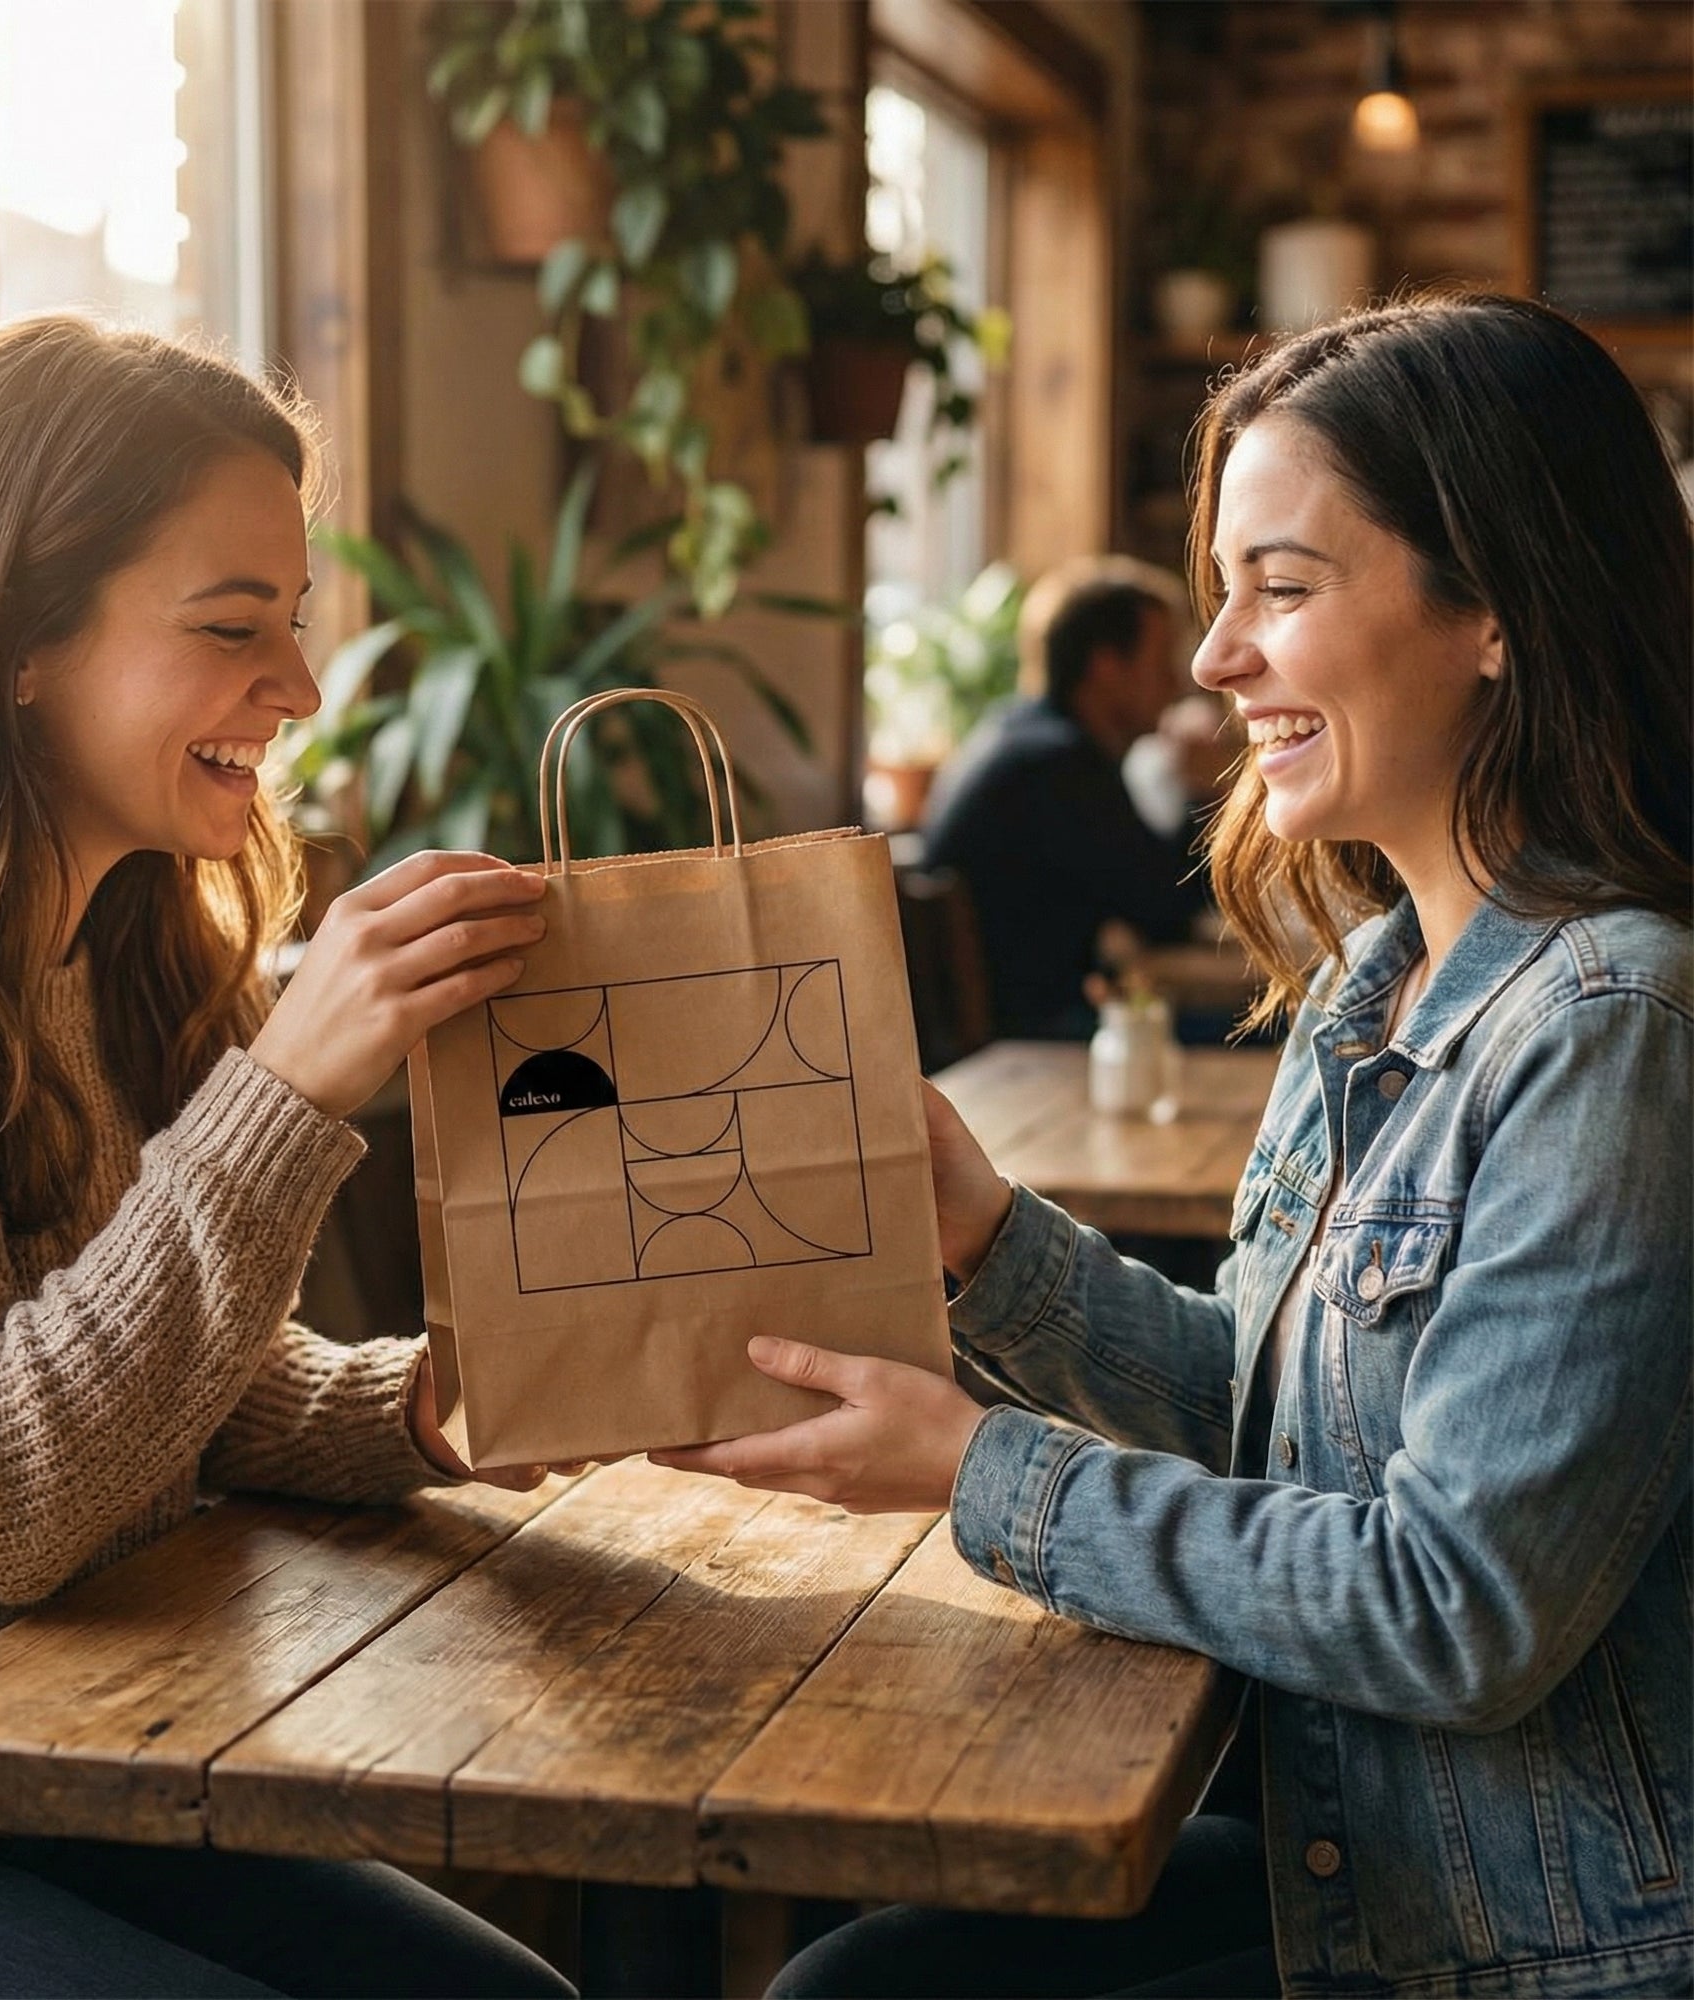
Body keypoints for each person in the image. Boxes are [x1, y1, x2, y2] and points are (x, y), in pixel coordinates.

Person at [657, 292, 1692, 1997]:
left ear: (1498, 612)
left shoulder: (1614, 1022)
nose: (1214, 660)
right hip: (1361, 1858)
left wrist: (977, 1469)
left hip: (1536, 1945)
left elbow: (1457, 1609)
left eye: (1280, 589)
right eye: (1222, 592)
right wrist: (987, 1236)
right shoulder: (1372, 981)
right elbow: (1285, 1435)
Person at [0, 314, 573, 1998]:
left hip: (49, 1772)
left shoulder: (116, 945)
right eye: (233, 628)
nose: (299, 689)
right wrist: (291, 1089)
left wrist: (433, 1409)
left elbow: (164, 1392)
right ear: (14, 641)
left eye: (292, 622)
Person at [920, 556, 1222, 1040]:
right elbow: (1168, 908)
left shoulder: (1024, 737)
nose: (1179, 683)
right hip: (1030, 1039)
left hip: (1032, 1020)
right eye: (1163, 660)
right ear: (1106, 667)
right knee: (1271, 1029)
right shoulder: (1057, 765)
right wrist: (1203, 789)